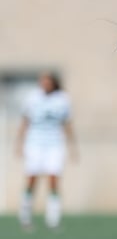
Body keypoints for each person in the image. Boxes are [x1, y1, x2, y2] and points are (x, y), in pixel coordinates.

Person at [15, 72, 77, 229]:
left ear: (54, 83)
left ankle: (53, 220)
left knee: (54, 180)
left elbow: (67, 123)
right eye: (42, 81)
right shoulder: (32, 97)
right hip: (35, 144)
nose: (45, 84)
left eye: (47, 81)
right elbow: (25, 121)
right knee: (31, 179)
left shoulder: (63, 99)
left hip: (54, 145)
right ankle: (25, 218)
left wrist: (72, 147)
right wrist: (19, 143)